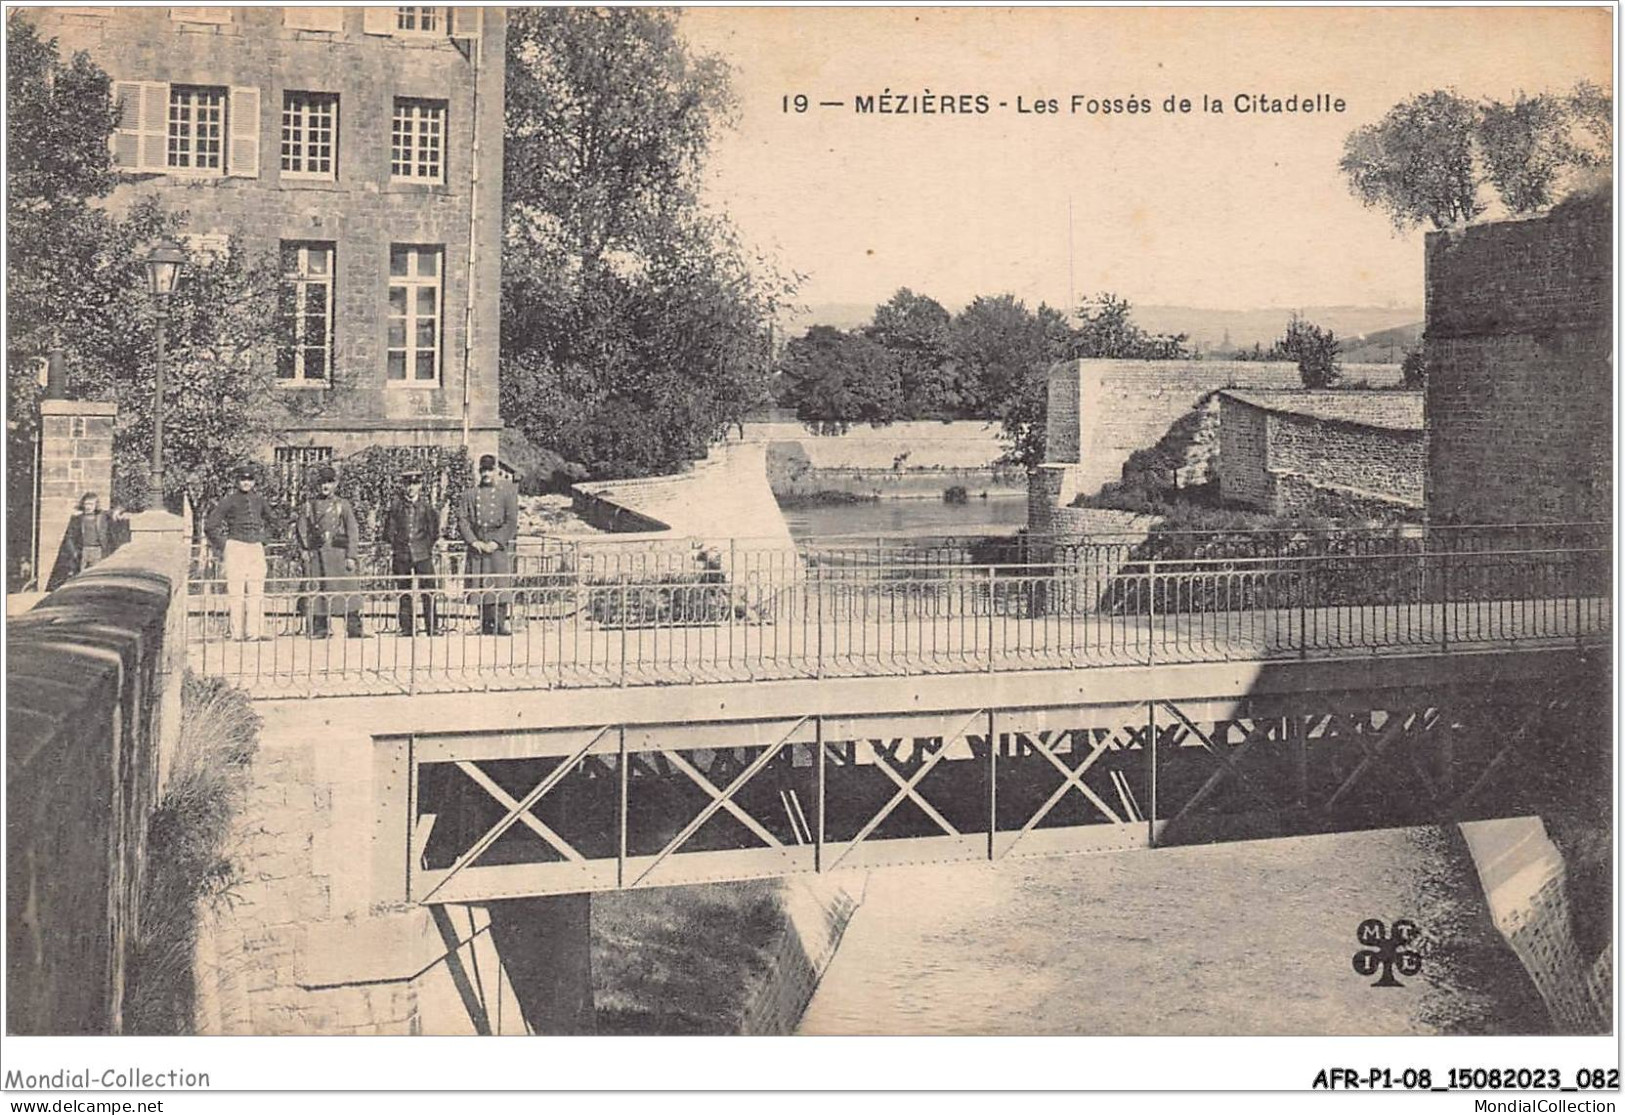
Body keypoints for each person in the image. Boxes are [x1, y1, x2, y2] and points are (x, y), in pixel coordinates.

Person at [205, 465, 276, 641]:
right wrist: (226, 544)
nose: (246, 483)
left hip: (255, 548)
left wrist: (264, 539)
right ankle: (236, 633)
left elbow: (274, 521)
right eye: (242, 480)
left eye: (249, 480)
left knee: (256, 590)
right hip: (236, 547)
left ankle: (254, 632)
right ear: (237, 481)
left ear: (254, 482)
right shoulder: (229, 501)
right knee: (236, 590)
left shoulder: (259, 500)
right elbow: (210, 526)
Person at [294, 464, 363, 638]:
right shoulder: (309, 506)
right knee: (319, 591)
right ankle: (320, 628)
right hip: (318, 555)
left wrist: (351, 556)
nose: (325, 486)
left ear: (336, 484)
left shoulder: (343, 505)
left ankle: (354, 627)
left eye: (329, 482)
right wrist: (304, 549)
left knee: (348, 589)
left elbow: (352, 530)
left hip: (339, 555)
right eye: (322, 482)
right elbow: (301, 528)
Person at [457, 453, 518, 635]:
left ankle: (500, 624)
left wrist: (497, 541)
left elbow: (511, 521)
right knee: (480, 584)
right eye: (483, 470)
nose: (487, 474)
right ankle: (485, 624)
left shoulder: (506, 494)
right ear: (479, 472)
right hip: (478, 545)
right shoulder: (469, 494)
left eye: (490, 470)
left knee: (499, 583)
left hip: (497, 546)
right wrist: (473, 541)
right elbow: (463, 519)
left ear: (496, 471)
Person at [384, 468, 441, 636]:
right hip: (402, 555)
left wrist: (425, 546)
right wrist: (397, 546)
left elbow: (433, 532)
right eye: (408, 484)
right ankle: (407, 628)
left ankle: (432, 627)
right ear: (403, 486)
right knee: (404, 591)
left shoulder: (427, 507)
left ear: (420, 485)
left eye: (415, 484)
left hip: (422, 555)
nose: (411, 488)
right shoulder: (396, 507)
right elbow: (388, 531)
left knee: (429, 591)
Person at [46, 492, 122, 590]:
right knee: (81, 575)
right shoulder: (78, 519)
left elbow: (118, 509)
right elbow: (70, 536)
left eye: (91, 504)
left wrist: (117, 511)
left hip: (98, 550)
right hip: (83, 550)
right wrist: (74, 552)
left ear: (96, 505)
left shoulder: (102, 516)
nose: (88, 507)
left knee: (96, 574)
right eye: (86, 504)